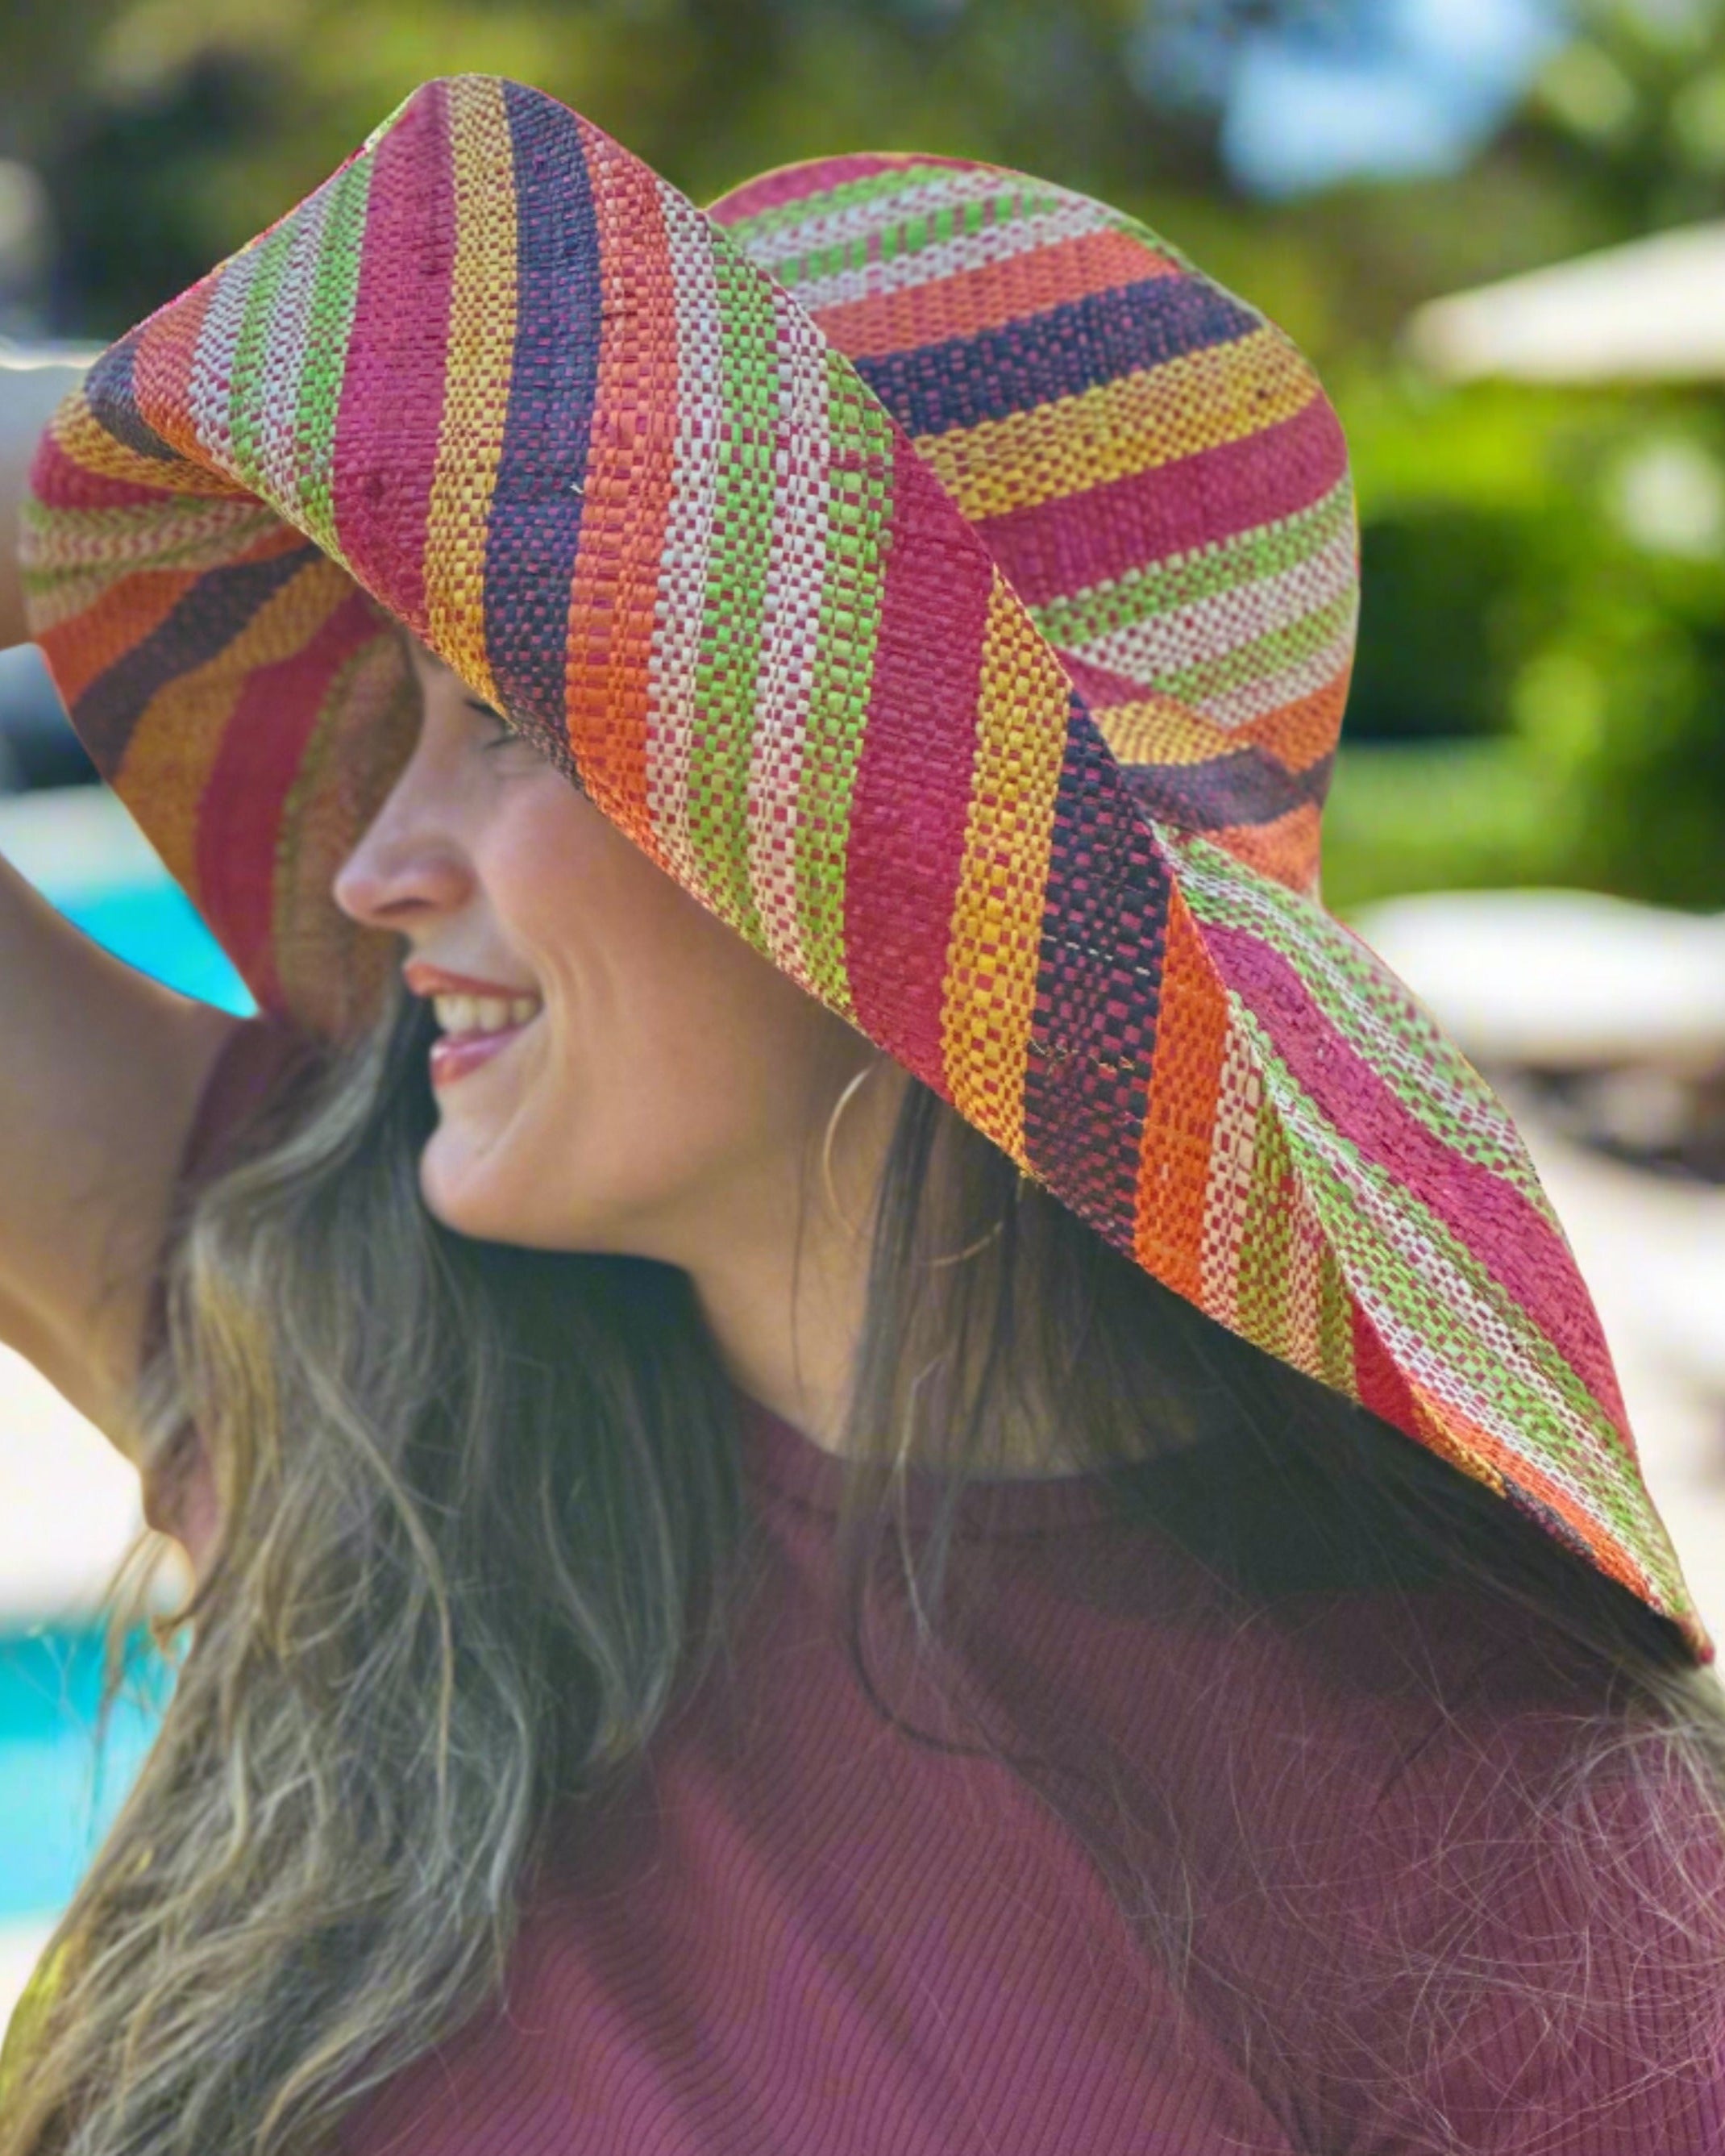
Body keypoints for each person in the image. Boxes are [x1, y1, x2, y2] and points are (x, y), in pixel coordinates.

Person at [2, 74, 1723, 2156]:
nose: (377, 865)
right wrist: (340, 421)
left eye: (510, 722)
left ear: (864, 843)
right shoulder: (359, 1359)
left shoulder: (1534, 1888)